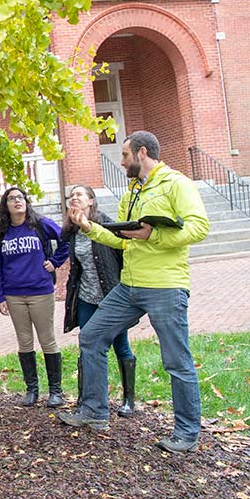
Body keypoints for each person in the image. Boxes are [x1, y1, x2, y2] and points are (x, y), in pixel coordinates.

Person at [58, 131, 209, 454]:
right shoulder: (132, 191)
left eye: (125, 155)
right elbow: (125, 239)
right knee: (92, 336)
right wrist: (89, 227)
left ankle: (186, 433)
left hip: (165, 286)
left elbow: (199, 227)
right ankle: (94, 412)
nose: (122, 160)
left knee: (176, 360)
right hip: (129, 286)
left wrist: (152, 236)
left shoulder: (175, 184)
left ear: (142, 153)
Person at [0, 187, 70, 408]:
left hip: (40, 291)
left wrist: (55, 262)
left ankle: (55, 391)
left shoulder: (40, 224)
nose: (17, 201)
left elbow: (65, 239)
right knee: (24, 341)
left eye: (20, 197)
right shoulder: (1, 232)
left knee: (47, 339)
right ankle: (32, 389)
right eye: (11, 199)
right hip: (14, 294)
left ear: (26, 201)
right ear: (5, 205)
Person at [60, 184, 136, 417]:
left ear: (91, 201)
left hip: (110, 296)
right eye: (71, 196)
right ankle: (86, 399)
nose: (74, 198)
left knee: (120, 345)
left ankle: (128, 399)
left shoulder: (106, 224)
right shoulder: (72, 230)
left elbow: (124, 255)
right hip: (85, 297)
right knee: (87, 344)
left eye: (79, 195)